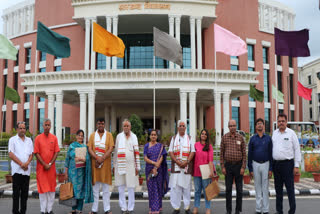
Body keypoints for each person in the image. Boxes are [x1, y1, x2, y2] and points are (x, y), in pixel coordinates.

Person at [272, 113, 301, 214]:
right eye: (279, 121)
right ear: (277, 122)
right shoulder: (274, 133)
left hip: (288, 165)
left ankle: (292, 211)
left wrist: (296, 165)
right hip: (276, 165)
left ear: (286, 122)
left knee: (290, 189)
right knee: (278, 190)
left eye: (283, 121)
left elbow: (297, 149)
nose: (281, 123)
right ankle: (279, 210)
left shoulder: (291, 133)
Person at [114, 119, 141, 214]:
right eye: (124, 126)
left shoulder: (134, 137)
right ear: (122, 127)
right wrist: (114, 165)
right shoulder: (119, 136)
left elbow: (137, 153)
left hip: (131, 166)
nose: (126, 127)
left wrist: (137, 167)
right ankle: (123, 207)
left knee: (131, 187)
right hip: (120, 165)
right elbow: (116, 151)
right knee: (121, 187)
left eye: (127, 126)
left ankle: (130, 208)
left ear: (130, 127)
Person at [87, 118, 114, 214]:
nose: (100, 125)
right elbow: (89, 148)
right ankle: (94, 209)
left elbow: (110, 148)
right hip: (95, 165)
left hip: (105, 166)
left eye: (102, 124)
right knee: (95, 190)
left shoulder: (109, 135)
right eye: (99, 123)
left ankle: (107, 209)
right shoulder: (92, 135)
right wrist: (96, 157)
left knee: (106, 189)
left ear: (105, 124)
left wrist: (102, 158)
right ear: (96, 124)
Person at [169, 120, 195, 214]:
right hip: (176, 167)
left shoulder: (190, 138)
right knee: (176, 188)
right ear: (177, 127)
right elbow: (171, 151)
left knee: (186, 188)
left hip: (186, 167)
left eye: (183, 126)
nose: (181, 127)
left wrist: (186, 161)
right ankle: (176, 207)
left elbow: (192, 151)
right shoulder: (174, 138)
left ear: (185, 127)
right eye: (180, 125)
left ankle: (187, 207)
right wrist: (177, 162)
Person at [220, 120, 246, 214]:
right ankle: (229, 210)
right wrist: (223, 166)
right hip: (228, 166)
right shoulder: (224, 138)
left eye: (234, 125)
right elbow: (221, 153)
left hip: (239, 166)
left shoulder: (240, 138)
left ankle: (237, 210)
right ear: (228, 127)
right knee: (228, 190)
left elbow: (244, 153)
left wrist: (243, 167)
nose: (232, 127)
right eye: (230, 126)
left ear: (236, 126)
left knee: (239, 190)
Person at [34, 119, 60, 214]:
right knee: (42, 190)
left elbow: (56, 152)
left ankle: (49, 210)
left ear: (51, 126)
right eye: (46, 125)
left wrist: (49, 164)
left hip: (51, 169)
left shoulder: (54, 138)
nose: (47, 126)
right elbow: (36, 153)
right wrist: (44, 164)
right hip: (41, 169)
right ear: (43, 126)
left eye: (49, 125)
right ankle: (42, 210)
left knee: (51, 190)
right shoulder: (38, 138)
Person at [64, 129, 93, 214]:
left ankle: (79, 209)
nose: (80, 137)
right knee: (72, 191)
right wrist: (66, 173)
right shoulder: (72, 146)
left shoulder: (84, 147)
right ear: (76, 136)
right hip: (72, 173)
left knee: (80, 191)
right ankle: (73, 209)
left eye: (82, 136)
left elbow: (88, 160)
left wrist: (81, 159)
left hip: (81, 173)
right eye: (79, 135)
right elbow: (67, 160)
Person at [248, 118, 273, 214]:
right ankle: (258, 209)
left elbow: (271, 154)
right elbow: (249, 154)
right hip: (255, 164)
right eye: (258, 124)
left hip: (266, 164)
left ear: (263, 126)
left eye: (261, 124)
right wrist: (250, 169)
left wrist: (271, 168)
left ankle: (266, 209)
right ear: (255, 126)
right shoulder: (252, 139)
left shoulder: (268, 138)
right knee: (257, 187)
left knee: (265, 188)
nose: (259, 125)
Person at [8, 121, 33, 214]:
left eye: (24, 128)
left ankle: (23, 212)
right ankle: (15, 212)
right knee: (16, 195)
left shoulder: (29, 140)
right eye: (20, 128)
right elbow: (11, 154)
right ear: (17, 129)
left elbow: (31, 154)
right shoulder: (12, 140)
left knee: (24, 195)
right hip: (17, 171)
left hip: (26, 172)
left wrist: (26, 163)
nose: (22, 130)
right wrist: (21, 164)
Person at [144, 129, 169, 214]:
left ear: (157, 136)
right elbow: (145, 157)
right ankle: (152, 207)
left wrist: (158, 164)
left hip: (159, 170)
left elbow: (162, 155)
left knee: (158, 188)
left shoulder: (160, 146)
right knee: (151, 189)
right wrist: (153, 163)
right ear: (150, 136)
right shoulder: (146, 146)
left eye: (155, 135)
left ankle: (158, 207)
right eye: (152, 135)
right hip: (149, 170)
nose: (153, 136)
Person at [192, 129, 216, 214]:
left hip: (206, 172)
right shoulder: (195, 145)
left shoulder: (209, 146)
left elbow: (210, 160)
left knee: (207, 191)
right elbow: (192, 157)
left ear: (207, 136)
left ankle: (208, 208)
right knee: (197, 191)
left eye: (205, 134)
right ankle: (196, 207)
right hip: (196, 171)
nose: (203, 135)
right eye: (202, 134)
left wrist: (211, 172)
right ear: (200, 135)